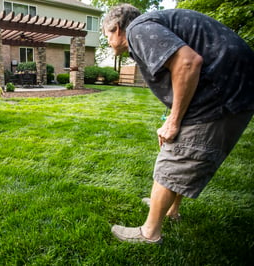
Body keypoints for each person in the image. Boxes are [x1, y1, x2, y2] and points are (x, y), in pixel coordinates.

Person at [102, 4, 254, 244]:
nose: (109, 42)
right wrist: (171, 117)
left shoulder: (137, 30)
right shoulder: (154, 25)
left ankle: (150, 233)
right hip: (234, 88)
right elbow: (176, 76)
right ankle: (171, 210)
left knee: (176, 156)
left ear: (117, 28)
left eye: (107, 36)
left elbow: (187, 63)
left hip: (220, 91)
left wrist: (174, 122)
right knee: (178, 148)